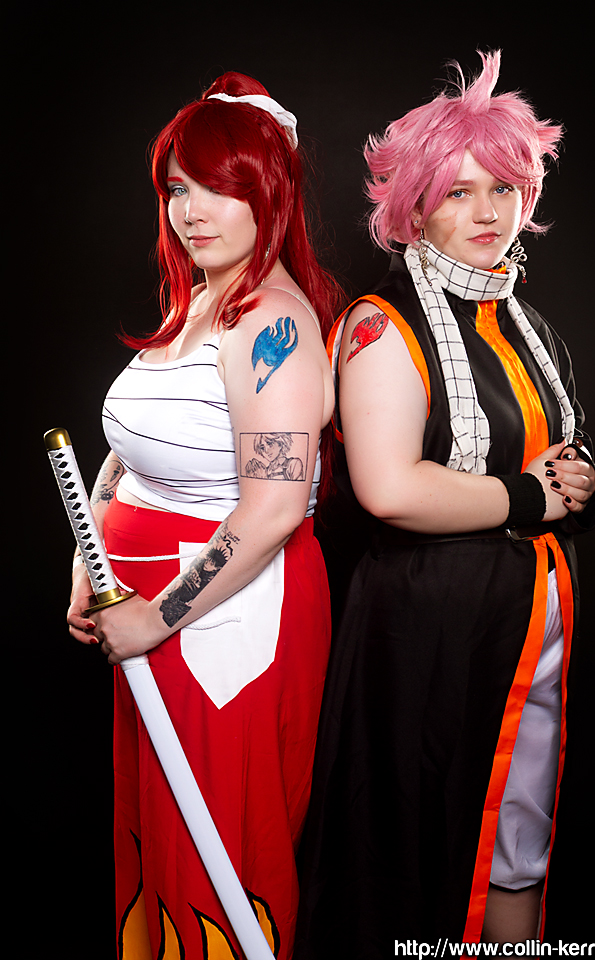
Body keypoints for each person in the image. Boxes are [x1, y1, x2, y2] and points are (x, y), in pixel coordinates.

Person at [294, 51, 595, 956]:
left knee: (517, 851)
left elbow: (563, 449)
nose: (486, 212)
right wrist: (532, 495)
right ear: (414, 205)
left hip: (530, 632)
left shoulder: (524, 322)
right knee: (419, 852)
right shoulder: (379, 322)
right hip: (425, 635)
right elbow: (388, 487)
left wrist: (583, 485)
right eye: (459, 192)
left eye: (503, 189)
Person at [67, 71, 342, 959]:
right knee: (162, 836)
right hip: (142, 611)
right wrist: (90, 556)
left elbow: (273, 509)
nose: (192, 212)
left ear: (271, 192)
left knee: (218, 850)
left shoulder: (273, 327)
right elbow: (133, 444)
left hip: (225, 626)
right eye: (178, 189)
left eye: (220, 188)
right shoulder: (196, 302)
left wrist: (155, 616)